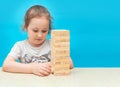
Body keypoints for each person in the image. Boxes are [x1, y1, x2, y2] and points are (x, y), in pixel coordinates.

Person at [2, 5, 73, 76]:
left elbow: (70, 63)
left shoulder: (52, 44)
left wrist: (46, 65)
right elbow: (6, 65)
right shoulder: (20, 46)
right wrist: (31, 68)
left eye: (44, 31)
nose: (40, 35)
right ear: (26, 27)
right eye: (35, 30)